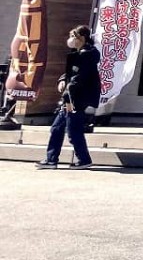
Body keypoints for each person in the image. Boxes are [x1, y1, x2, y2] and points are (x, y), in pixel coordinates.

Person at [35, 25, 100, 170]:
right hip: (71, 97)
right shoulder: (79, 53)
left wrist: (67, 98)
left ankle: (83, 159)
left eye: (73, 36)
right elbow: (70, 74)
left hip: (76, 98)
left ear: (81, 38)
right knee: (57, 128)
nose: (70, 40)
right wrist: (62, 79)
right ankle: (51, 159)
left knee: (73, 130)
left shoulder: (86, 55)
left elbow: (77, 79)